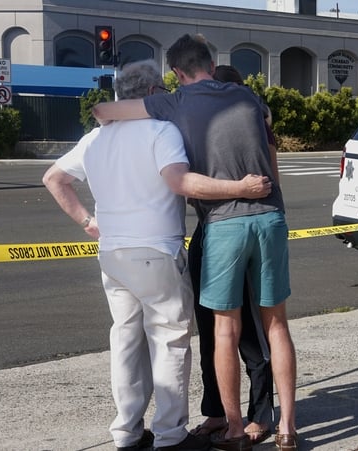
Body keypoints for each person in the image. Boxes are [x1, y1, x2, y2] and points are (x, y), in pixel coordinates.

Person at [43, 59, 272, 451]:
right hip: (156, 249)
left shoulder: (95, 139)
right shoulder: (162, 131)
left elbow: (54, 178)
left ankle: (127, 432)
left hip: (112, 252)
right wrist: (240, 188)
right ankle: (170, 434)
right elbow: (180, 182)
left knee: (126, 342)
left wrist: (87, 221)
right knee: (169, 340)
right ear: (151, 94)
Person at [93, 34, 298, 451]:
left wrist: (129, 115)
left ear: (176, 73)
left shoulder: (174, 102)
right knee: (276, 324)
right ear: (212, 63)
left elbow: (102, 111)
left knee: (224, 329)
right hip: (270, 217)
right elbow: (266, 124)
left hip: (223, 222)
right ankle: (287, 429)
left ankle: (234, 428)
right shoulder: (247, 96)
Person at [188, 64, 277, 447]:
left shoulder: (253, 124)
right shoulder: (199, 126)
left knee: (250, 334)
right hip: (207, 231)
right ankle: (217, 411)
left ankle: (260, 414)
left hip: (242, 229)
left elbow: (269, 183)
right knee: (210, 330)